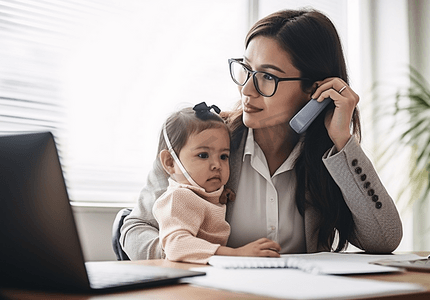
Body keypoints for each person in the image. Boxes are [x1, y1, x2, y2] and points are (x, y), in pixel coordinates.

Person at [120, 8, 403, 261]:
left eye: (268, 76)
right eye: (246, 70)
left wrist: (343, 141)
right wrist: (198, 256)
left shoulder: (329, 157)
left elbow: (384, 239)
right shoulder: (203, 143)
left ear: (314, 90)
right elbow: (135, 229)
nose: (247, 89)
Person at [152, 102, 281, 264]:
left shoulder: (203, 194)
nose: (217, 165)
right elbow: (176, 245)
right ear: (170, 162)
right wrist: (235, 253)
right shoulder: (177, 197)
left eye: (224, 156)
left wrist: (221, 193)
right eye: (203, 155)